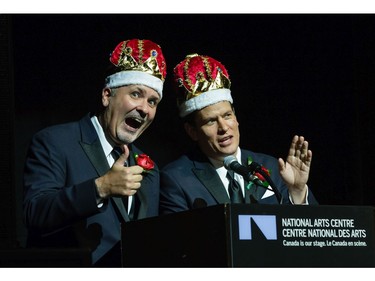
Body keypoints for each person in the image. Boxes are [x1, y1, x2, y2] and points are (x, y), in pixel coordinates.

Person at [23, 39, 167, 266]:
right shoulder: (56, 142)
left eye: (153, 101)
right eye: (136, 94)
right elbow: (36, 212)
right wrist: (101, 188)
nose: (144, 108)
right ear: (107, 96)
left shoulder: (149, 167)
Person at [159, 53, 318, 214]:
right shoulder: (176, 179)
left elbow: (310, 232)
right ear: (192, 131)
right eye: (211, 121)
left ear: (236, 118)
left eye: (227, 116)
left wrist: (297, 192)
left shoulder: (272, 169)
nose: (223, 127)